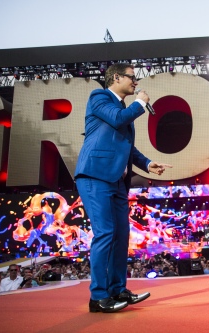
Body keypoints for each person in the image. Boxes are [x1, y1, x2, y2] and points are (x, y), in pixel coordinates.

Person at [74, 63, 172, 313]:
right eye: (132, 77)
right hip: (96, 175)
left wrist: (148, 164)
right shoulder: (100, 97)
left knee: (121, 237)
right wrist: (139, 103)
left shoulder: (123, 111)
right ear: (115, 77)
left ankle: (118, 290)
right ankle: (98, 297)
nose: (136, 82)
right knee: (105, 233)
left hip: (117, 180)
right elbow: (118, 119)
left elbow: (127, 146)